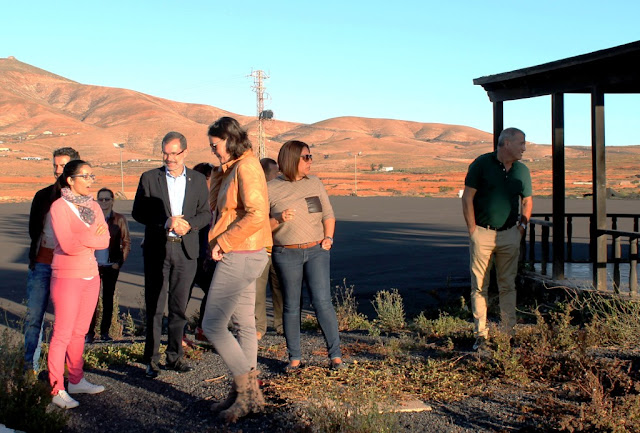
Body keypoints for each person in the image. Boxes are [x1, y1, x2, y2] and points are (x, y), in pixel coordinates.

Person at [202, 117, 271, 423]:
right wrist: (220, 170)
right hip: (243, 251)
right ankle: (243, 396)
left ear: (229, 140)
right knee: (243, 324)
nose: (213, 151)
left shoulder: (247, 167)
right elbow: (217, 207)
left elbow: (257, 214)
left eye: (215, 145)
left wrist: (225, 241)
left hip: (241, 252)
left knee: (213, 325)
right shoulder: (234, 167)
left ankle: (249, 393)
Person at [132, 132, 210, 378]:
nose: (169, 158)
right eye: (165, 153)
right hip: (158, 249)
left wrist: (190, 225)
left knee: (179, 308)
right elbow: (138, 212)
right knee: (155, 306)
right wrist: (166, 221)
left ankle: (175, 357)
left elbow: (205, 214)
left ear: (185, 152)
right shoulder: (149, 178)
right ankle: (151, 359)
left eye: (174, 153)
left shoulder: (198, 180)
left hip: (186, 251)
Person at [268, 140, 345, 371]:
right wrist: (278, 218)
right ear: (292, 159)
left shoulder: (315, 183)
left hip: (316, 251)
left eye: (310, 156)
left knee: (322, 302)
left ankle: (336, 357)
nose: (310, 161)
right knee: (291, 306)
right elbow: (260, 225)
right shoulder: (270, 188)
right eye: (306, 157)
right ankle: (294, 358)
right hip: (286, 253)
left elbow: (328, 214)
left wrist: (328, 238)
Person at [461, 127, 533, 351]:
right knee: (479, 286)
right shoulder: (481, 164)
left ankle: (508, 335)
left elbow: (527, 200)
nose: (524, 148)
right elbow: (467, 197)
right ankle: (481, 336)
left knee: (507, 285)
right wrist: (472, 229)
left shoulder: (522, 170)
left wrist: (521, 228)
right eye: (521, 143)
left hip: (510, 234)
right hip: (482, 234)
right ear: (507, 143)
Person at [47, 160, 110, 409]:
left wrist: (84, 238)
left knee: (80, 332)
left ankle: (75, 380)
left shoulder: (93, 205)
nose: (89, 180)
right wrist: (90, 236)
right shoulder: (59, 207)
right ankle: (56, 388)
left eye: (91, 175)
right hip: (66, 276)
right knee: (62, 333)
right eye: (84, 176)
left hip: (91, 275)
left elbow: (105, 240)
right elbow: (68, 245)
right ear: (70, 180)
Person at [24, 146, 80, 373]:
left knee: (66, 323)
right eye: (55, 165)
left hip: (68, 269)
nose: (57, 170)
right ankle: (30, 368)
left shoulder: (82, 201)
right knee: (34, 318)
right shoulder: (42, 196)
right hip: (42, 265)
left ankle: (64, 370)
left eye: (62, 166)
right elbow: (34, 231)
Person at [87, 188, 131, 342]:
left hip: (111, 265)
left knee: (108, 299)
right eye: (101, 199)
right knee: (91, 301)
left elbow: (126, 242)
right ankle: (89, 333)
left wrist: (119, 262)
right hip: (93, 267)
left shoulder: (119, 219)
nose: (104, 202)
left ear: (112, 201)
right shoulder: (91, 219)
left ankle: (105, 332)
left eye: (107, 199)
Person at [255, 158, 284, 339]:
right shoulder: (256, 195)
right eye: (275, 172)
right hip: (260, 248)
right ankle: (259, 327)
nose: (278, 175)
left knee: (279, 287)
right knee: (257, 290)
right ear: (265, 174)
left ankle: (281, 325)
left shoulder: (280, 193)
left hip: (279, 246)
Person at [188, 162, 215, 342]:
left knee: (214, 292)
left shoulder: (215, 202)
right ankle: (179, 335)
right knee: (182, 296)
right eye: (213, 179)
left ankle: (203, 330)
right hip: (190, 256)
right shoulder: (189, 203)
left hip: (208, 257)